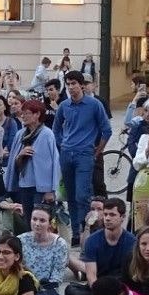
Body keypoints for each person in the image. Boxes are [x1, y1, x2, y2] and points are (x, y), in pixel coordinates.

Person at [52, 70, 111, 247]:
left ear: (82, 85)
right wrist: (62, 144)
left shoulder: (94, 104)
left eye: (74, 84)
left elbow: (106, 129)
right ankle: (76, 232)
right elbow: (56, 129)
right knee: (69, 194)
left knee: (82, 194)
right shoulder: (64, 106)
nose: (71, 88)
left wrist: (97, 150)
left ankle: (86, 228)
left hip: (85, 153)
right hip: (67, 153)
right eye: (68, 84)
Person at [66, 197, 135, 295]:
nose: (107, 218)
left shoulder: (132, 241)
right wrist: (100, 293)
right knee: (70, 290)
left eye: (112, 215)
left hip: (121, 287)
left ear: (122, 217)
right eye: (106, 214)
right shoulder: (93, 240)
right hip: (99, 286)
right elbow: (91, 275)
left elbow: (132, 275)